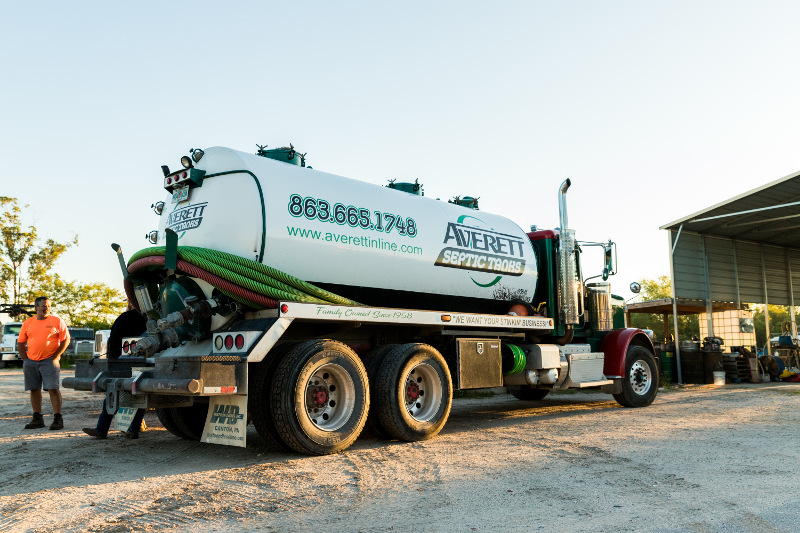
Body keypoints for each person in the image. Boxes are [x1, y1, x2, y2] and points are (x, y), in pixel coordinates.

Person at [83, 301, 148, 439]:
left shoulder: (125, 318)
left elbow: (114, 340)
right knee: (141, 394)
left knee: (112, 396)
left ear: (131, 304)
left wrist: (113, 361)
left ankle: (102, 429)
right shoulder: (152, 320)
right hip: (146, 361)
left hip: (123, 363)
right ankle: (134, 429)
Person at [18, 296, 70, 430]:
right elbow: (20, 342)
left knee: (53, 389)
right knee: (34, 389)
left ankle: (58, 419)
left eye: (48, 306)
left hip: (49, 361)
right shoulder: (27, 322)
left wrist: (55, 356)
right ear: (36, 307)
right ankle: (37, 418)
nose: (46, 308)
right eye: (43, 306)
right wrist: (26, 359)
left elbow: (65, 340)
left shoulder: (57, 321)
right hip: (31, 362)